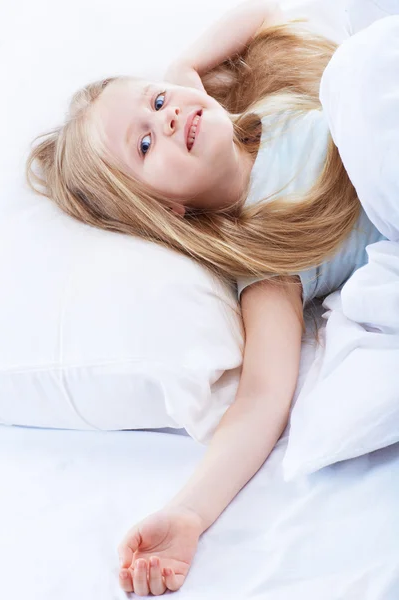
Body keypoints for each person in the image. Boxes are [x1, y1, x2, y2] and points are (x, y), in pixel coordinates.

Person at [25, 0, 387, 596]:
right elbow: (261, 400)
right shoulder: (269, 261)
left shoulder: (272, 107)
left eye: (159, 101)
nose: (165, 119)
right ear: (166, 210)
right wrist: (189, 512)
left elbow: (261, 14)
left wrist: (182, 64)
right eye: (143, 146)